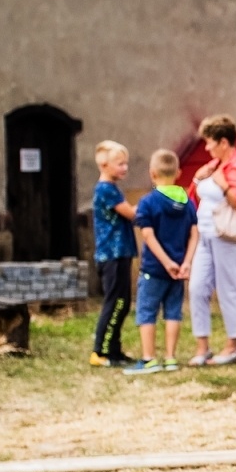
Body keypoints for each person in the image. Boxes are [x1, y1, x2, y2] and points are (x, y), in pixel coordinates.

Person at [188, 115, 236, 366]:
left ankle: (233, 346)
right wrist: (198, 179)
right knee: (197, 288)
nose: (207, 148)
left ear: (223, 142)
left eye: (210, 143)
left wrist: (223, 187)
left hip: (228, 238)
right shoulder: (213, 167)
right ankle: (203, 347)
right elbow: (195, 197)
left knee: (228, 290)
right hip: (206, 235)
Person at [123, 149, 199, 376]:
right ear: (178, 173)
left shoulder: (148, 202)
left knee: (147, 311)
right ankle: (170, 358)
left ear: (152, 173)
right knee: (173, 312)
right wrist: (186, 263)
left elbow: (148, 235)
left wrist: (166, 262)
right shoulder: (187, 201)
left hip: (155, 269)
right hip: (179, 270)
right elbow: (195, 234)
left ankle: (149, 359)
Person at [90, 140, 138, 367]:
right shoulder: (106, 190)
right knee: (115, 302)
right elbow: (131, 214)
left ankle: (114, 350)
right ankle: (101, 351)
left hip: (121, 253)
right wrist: (155, 200)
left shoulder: (112, 189)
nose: (125, 168)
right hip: (113, 255)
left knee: (123, 302)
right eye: (120, 163)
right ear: (104, 165)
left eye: (126, 163)